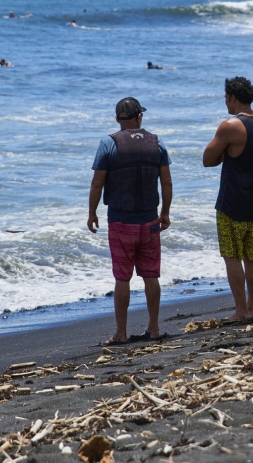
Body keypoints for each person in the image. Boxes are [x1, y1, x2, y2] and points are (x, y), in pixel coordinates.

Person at [88, 98, 173, 345]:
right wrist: (165, 212)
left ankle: (121, 333)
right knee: (150, 276)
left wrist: (92, 212)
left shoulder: (108, 143)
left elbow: (97, 183)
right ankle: (154, 328)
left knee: (122, 278)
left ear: (117, 119)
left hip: (120, 221)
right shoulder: (157, 142)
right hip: (149, 219)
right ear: (139, 117)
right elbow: (166, 182)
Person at [203, 77, 253, 320]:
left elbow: (207, 159)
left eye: (226, 97)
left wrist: (224, 154)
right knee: (251, 256)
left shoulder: (231, 125)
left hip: (232, 202)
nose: (225, 102)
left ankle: (241, 311)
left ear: (233, 97)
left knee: (231, 256)